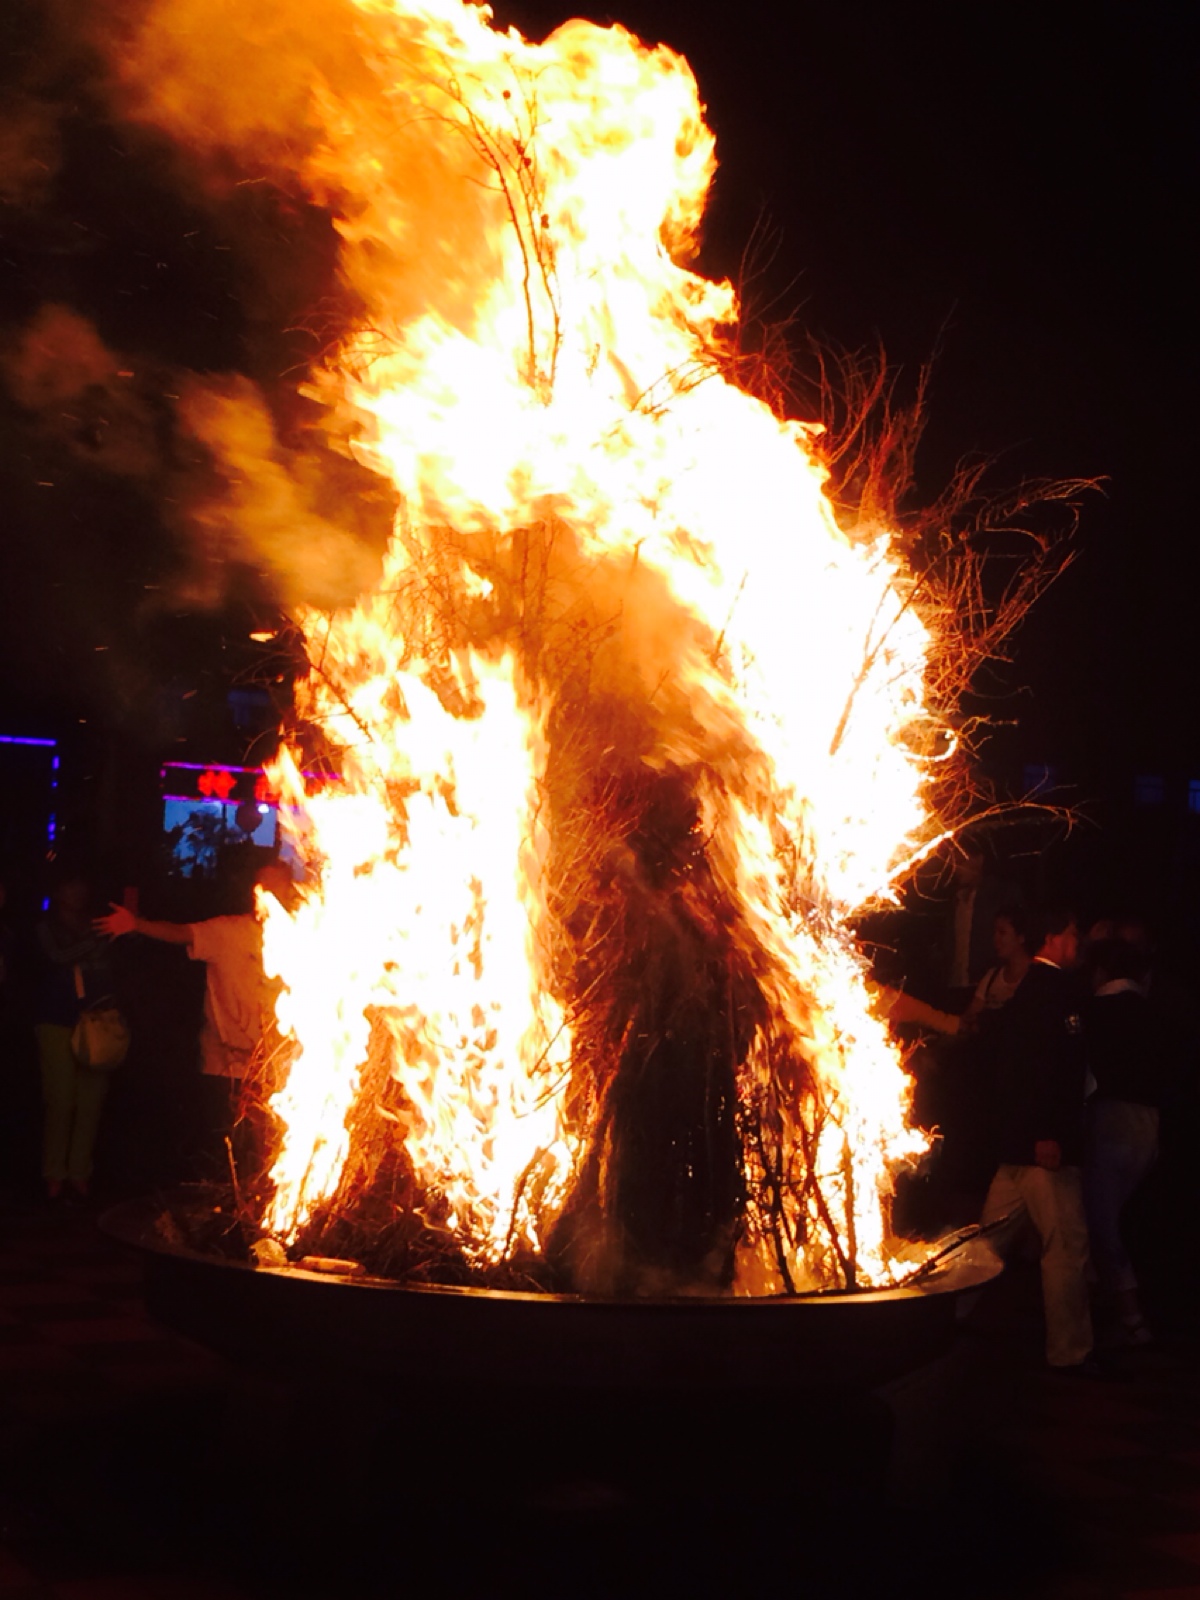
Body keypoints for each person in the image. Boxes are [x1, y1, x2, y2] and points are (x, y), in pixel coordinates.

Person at [94, 860, 293, 1176]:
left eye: (279, 885)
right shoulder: (228, 930)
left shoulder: (305, 937)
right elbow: (181, 933)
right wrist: (137, 924)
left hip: (278, 1069)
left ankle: (263, 1214)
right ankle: (220, 1212)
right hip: (223, 1065)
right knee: (224, 1150)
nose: (271, 893)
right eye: (264, 886)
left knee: (270, 1153)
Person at [980, 907, 1095, 1372]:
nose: (1078, 942)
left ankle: (943, 1318)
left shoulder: (1027, 991)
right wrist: (1049, 1134)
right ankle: (1070, 1352)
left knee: (984, 1246)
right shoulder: (1056, 990)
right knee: (1065, 1248)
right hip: (1045, 1152)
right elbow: (1050, 1069)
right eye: (1072, 933)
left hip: (1016, 1146)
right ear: (1052, 938)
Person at [1082, 937, 1165, 1347]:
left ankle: (1130, 1317)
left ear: (1100, 972)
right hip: (1150, 1122)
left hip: (1108, 1118)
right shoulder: (1155, 1015)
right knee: (1121, 1219)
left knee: (1102, 1222)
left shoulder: (1094, 1013)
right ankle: (1109, 1304)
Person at [33, 875, 116, 1201]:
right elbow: (59, 956)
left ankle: (80, 1173)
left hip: (97, 1018)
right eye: (69, 885)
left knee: (91, 1102)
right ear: (57, 890)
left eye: (81, 885)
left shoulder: (99, 924)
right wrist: (101, 938)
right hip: (56, 1017)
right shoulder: (46, 927)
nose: (77, 891)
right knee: (61, 1101)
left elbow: (113, 965)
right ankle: (54, 1173)